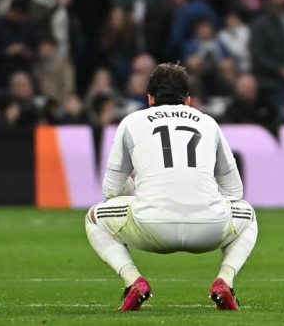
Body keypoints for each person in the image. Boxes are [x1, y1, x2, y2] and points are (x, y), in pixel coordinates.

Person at [85, 63, 257, 311]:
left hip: (152, 228)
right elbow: (235, 192)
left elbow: (111, 192)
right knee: (248, 215)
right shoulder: (208, 123)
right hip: (208, 229)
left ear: (150, 98)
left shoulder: (132, 122)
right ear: (188, 100)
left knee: (93, 218)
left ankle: (133, 280)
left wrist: (136, 181)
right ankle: (225, 281)